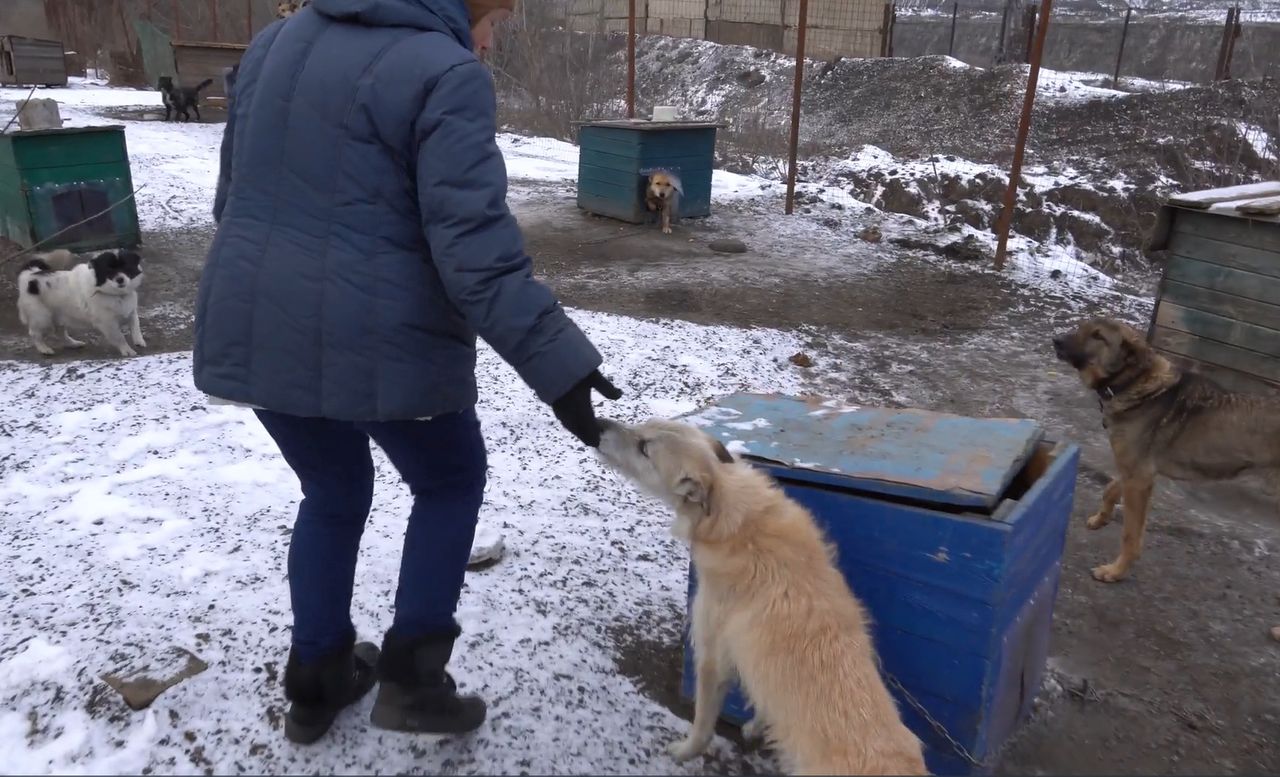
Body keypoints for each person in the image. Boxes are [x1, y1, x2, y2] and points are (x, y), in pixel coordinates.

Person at [193, 0, 621, 745]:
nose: (498, 30)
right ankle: (415, 679)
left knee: (331, 489)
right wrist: (562, 369)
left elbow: (232, 200)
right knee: (450, 479)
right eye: (498, 12)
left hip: (257, 325)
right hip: (382, 336)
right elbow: (476, 253)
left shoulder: (271, 45)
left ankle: (317, 674)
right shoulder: (445, 73)